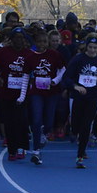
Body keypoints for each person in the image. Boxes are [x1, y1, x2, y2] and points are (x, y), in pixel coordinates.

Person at [61, 34, 97, 169]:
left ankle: (80, 156)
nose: (92, 50)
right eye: (90, 47)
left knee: (86, 124)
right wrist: (75, 86)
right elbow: (67, 78)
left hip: (94, 97)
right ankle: (73, 130)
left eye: (95, 48)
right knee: (76, 125)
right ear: (86, 47)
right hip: (78, 97)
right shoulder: (78, 60)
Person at [0, 27, 33, 161]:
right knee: (9, 122)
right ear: (11, 39)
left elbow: (35, 71)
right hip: (6, 93)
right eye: (16, 38)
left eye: (21, 38)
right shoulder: (3, 52)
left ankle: (22, 148)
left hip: (23, 93)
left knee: (22, 121)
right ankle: (12, 150)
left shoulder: (29, 54)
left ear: (25, 40)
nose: (18, 40)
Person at [27, 30, 65, 165]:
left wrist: (55, 80)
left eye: (44, 41)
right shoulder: (30, 56)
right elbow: (26, 74)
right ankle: (36, 151)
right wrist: (23, 94)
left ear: (48, 42)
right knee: (36, 120)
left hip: (52, 92)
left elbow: (62, 70)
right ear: (35, 43)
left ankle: (45, 133)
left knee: (48, 122)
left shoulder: (54, 55)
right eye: (39, 42)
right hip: (36, 92)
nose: (41, 44)